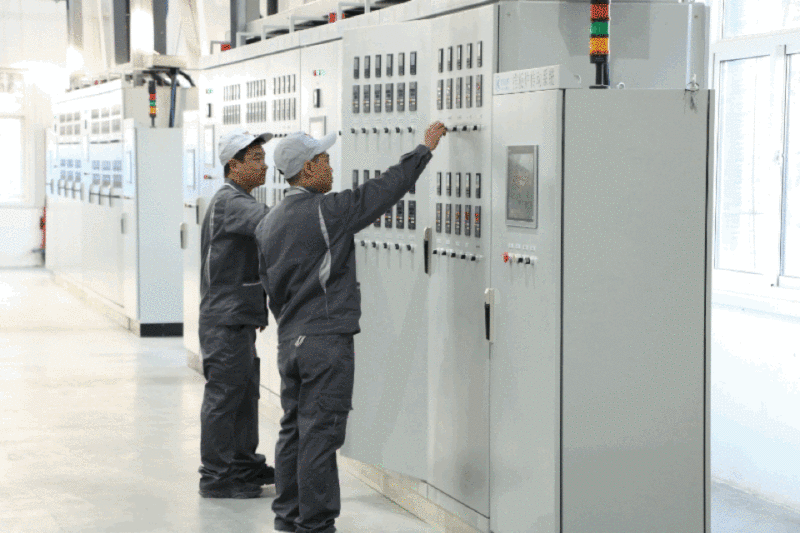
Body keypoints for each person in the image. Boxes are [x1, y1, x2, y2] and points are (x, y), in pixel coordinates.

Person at [255, 122, 448, 532]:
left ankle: (288, 518)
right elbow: (382, 191)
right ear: (308, 169)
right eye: (324, 160)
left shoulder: (268, 222)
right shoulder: (328, 211)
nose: (330, 167)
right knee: (321, 435)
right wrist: (424, 150)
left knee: (293, 430)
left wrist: (293, 327)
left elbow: (269, 287)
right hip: (325, 342)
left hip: (291, 341)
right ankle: (317, 525)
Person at [198, 129, 276, 499]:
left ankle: (244, 465)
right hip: (225, 319)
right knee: (225, 398)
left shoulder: (236, 199)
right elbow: (273, 223)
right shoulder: (232, 202)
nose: (265, 166)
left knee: (244, 395)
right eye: (256, 158)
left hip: (236, 317)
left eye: (264, 157)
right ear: (234, 165)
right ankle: (217, 477)